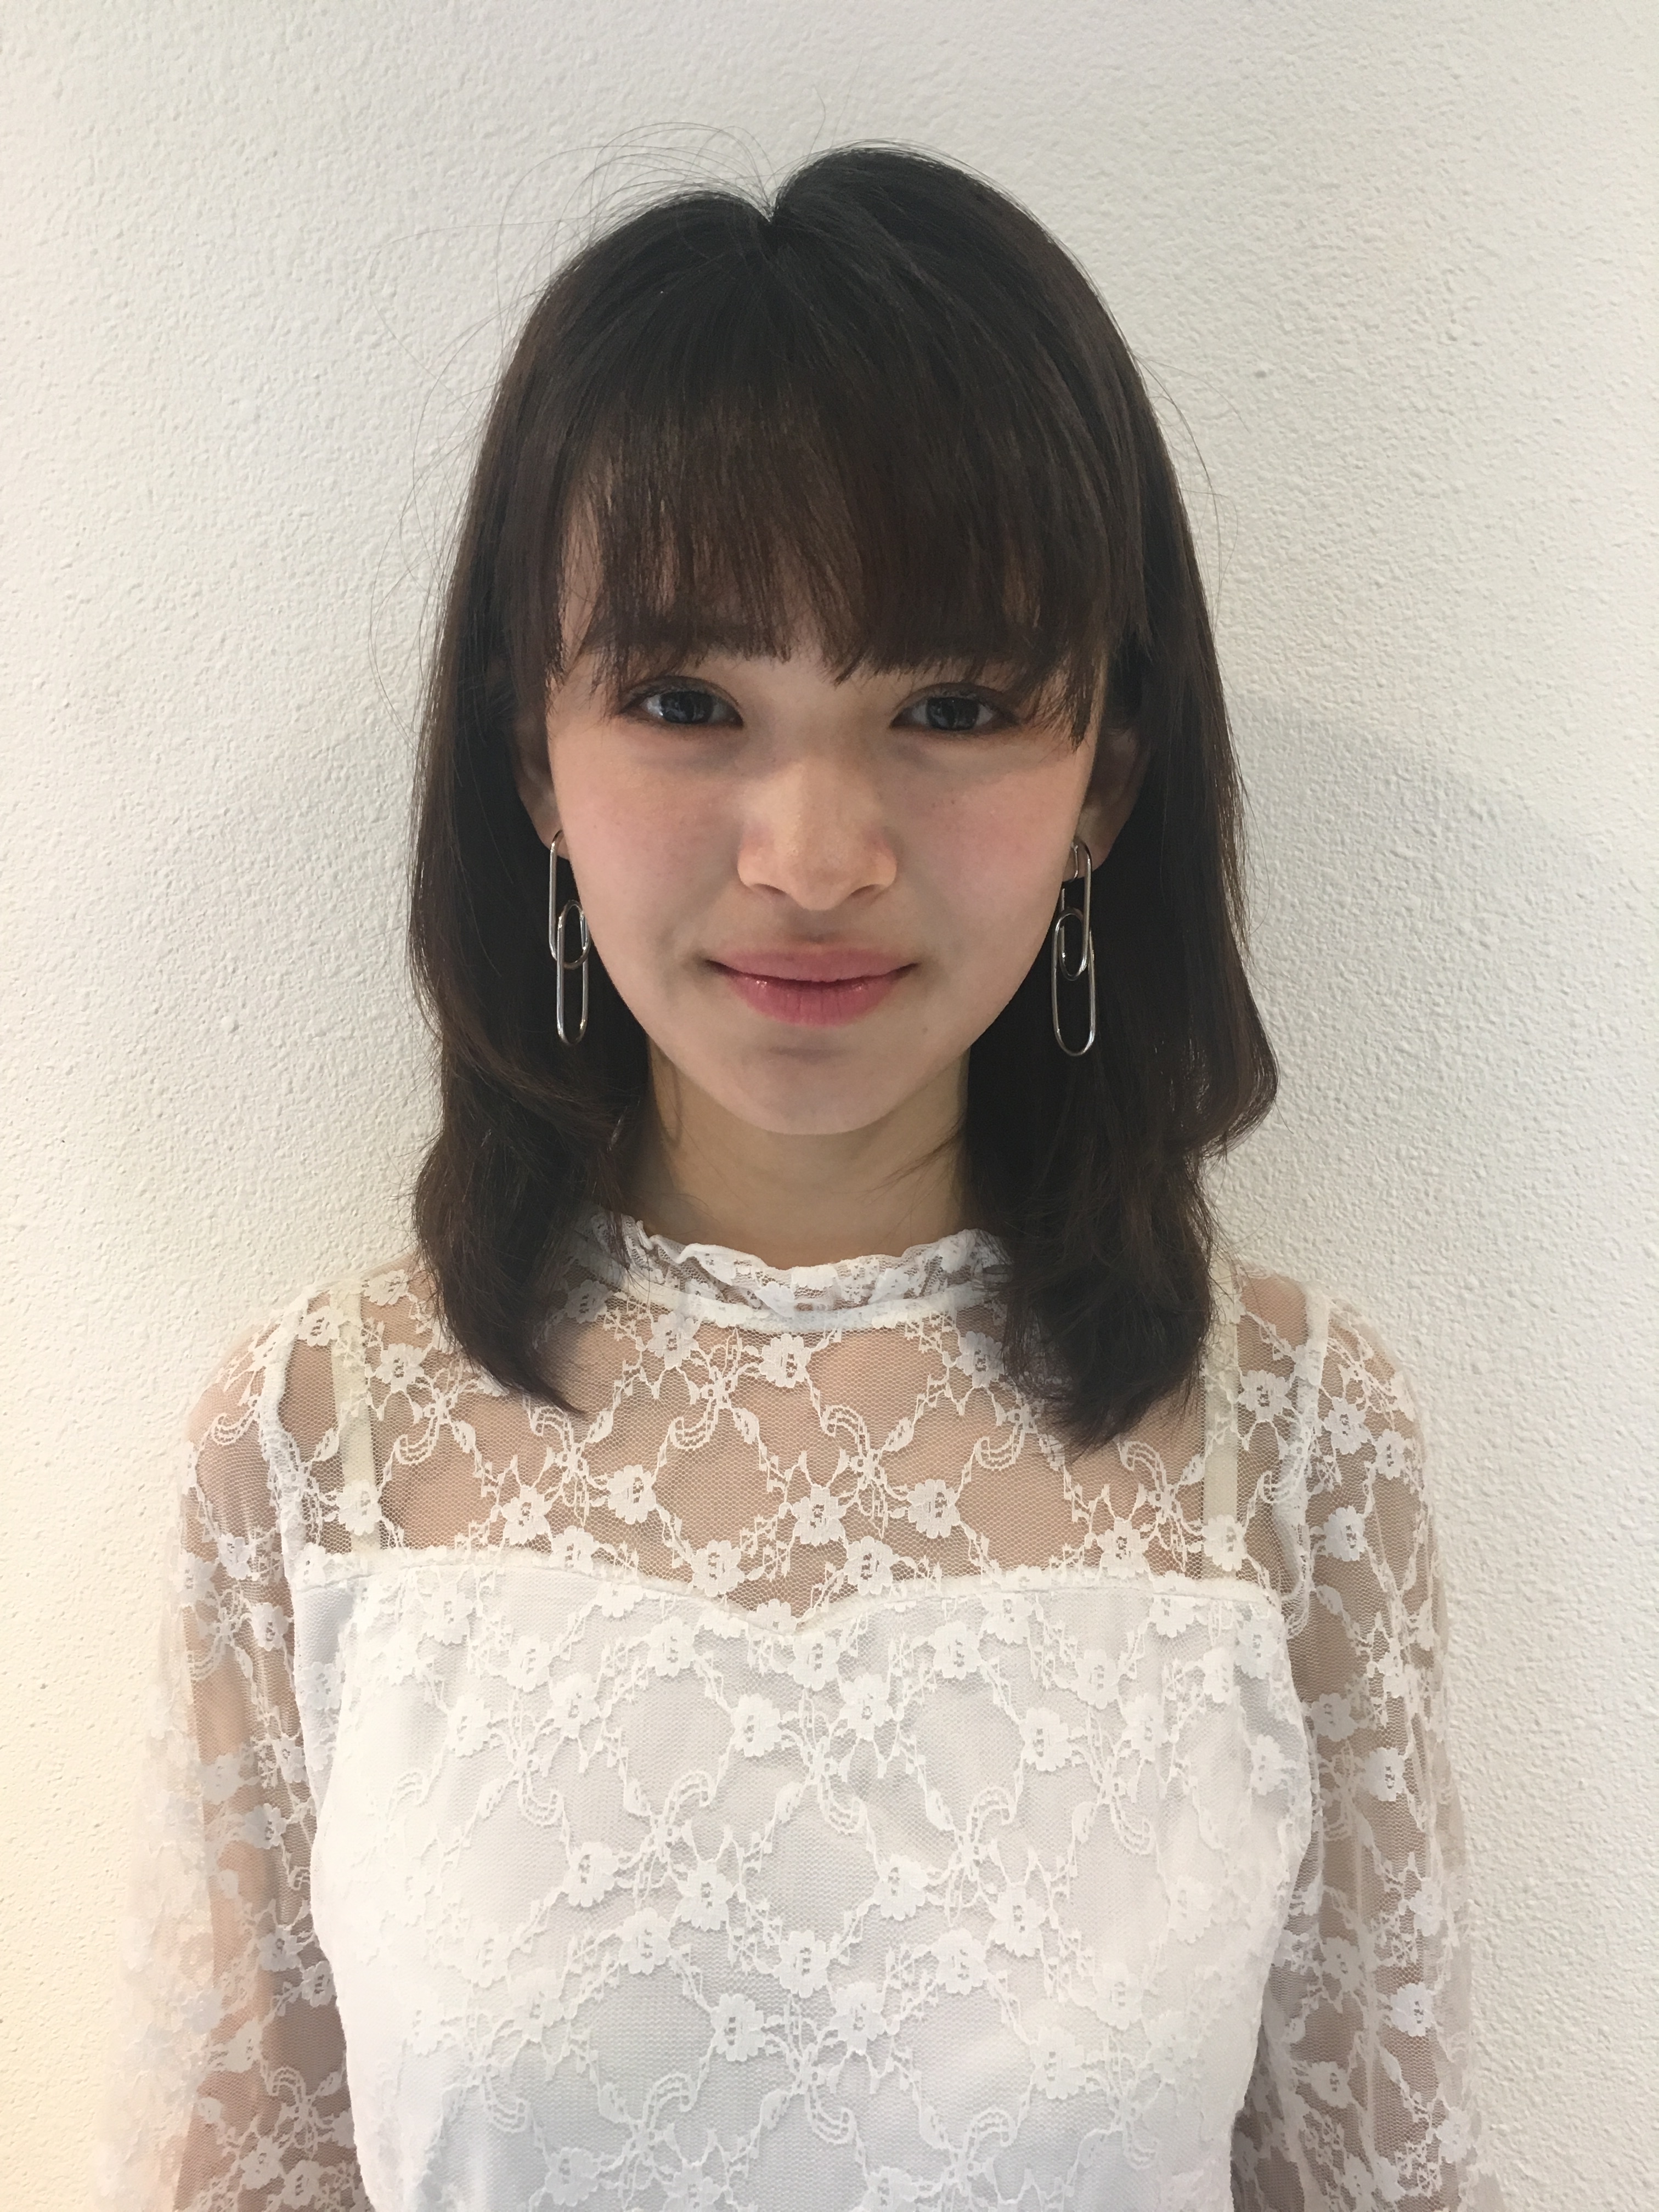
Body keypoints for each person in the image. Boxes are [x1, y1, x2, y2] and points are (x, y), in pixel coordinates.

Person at [99, 146, 1503, 2212]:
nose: (815, 854)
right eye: (686, 702)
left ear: (1104, 778)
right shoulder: (313, 1448)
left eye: (953, 705)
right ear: (532, 756)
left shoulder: (1295, 1447)